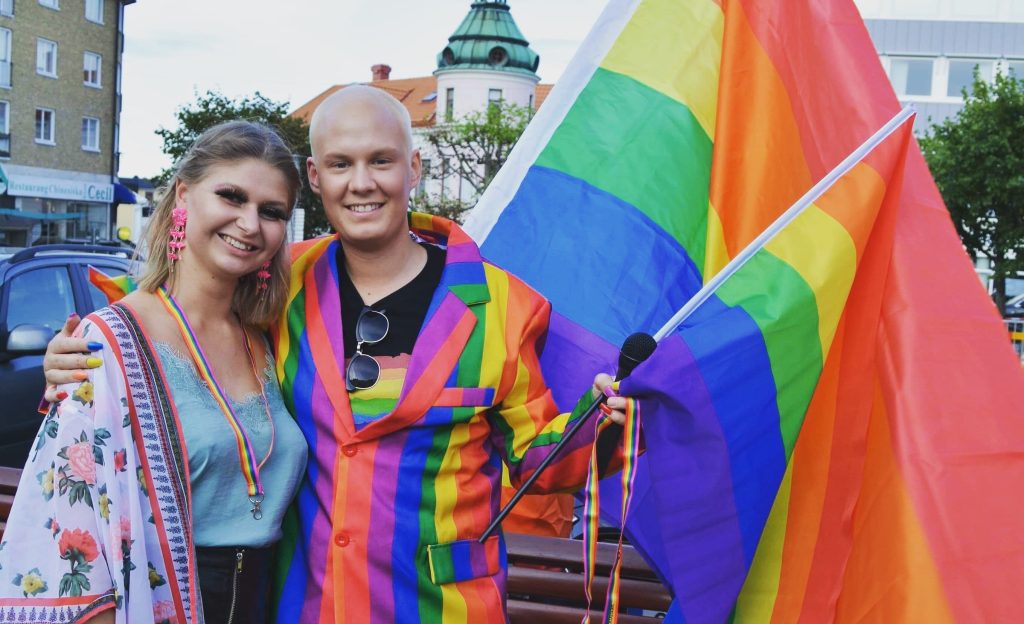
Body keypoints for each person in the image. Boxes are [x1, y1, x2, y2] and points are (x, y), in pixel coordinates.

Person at [44, 86, 634, 623]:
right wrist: (78, 353)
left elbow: (540, 464)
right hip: (303, 601)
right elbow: (183, 312)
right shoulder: (282, 281)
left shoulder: (505, 306)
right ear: (315, 176)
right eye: (340, 164)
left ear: (414, 168)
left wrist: (600, 423)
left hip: (444, 606)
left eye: (381, 160)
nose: (362, 182)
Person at [5, 121, 308, 624]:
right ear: (184, 196)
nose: (250, 224)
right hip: (157, 602)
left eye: (271, 211)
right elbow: (71, 523)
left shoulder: (269, 335)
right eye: (231, 196)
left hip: (268, 596)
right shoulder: (110, 340)